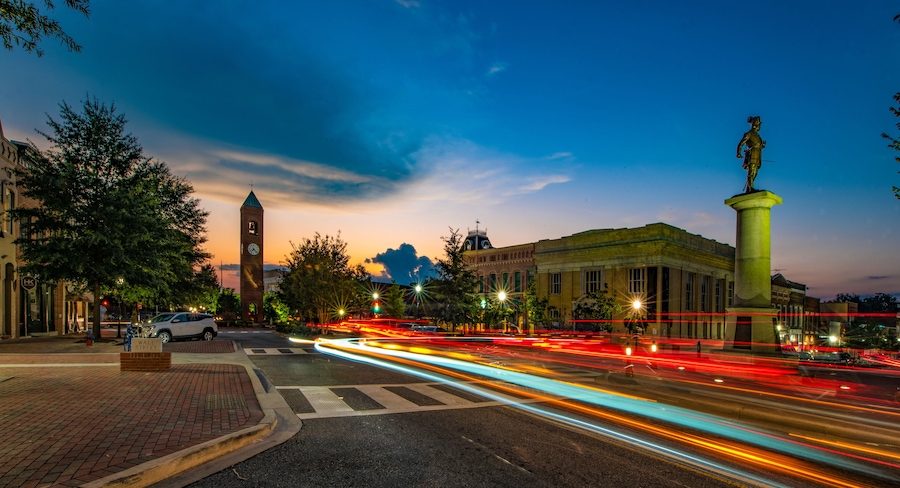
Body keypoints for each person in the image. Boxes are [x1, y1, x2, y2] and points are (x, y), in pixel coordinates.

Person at [736, 116, 766, 192]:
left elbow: (758, 145)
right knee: (751, 172)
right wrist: (738, 153)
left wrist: (762, 146)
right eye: (758, 124)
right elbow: (741, 143)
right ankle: (751, 188)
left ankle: (748, 189)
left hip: (758, 155)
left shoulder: (758, 136)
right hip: (751, 155)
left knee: (755, 173)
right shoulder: (748, 134)